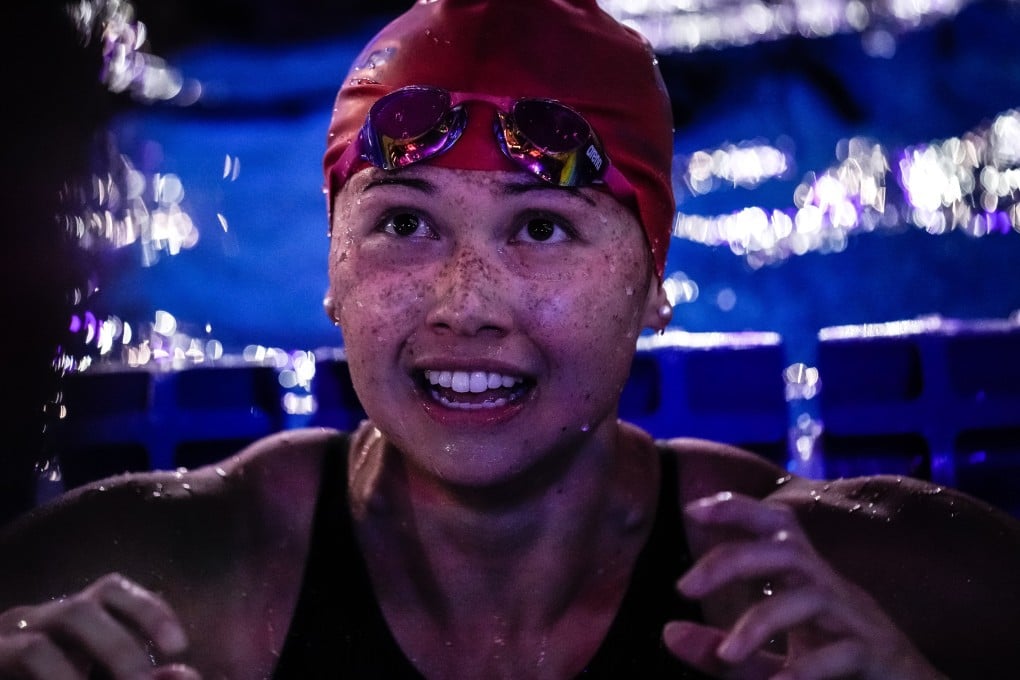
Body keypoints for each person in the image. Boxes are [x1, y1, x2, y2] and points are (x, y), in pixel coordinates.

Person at [1, 0, 1019, 678]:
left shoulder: (881, 583)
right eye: (403, 221)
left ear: (654, 285)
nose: (465, 303)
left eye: (541, 226)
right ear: (331, 272)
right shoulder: (147, 579)